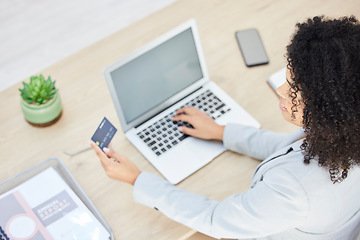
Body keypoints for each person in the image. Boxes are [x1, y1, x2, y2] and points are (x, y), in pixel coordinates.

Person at [90, 16, 360, 239]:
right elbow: (289, 147)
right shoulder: (343, 132)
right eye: (288, 81)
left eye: (294, 92)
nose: (280, 91)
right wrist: (221, 132)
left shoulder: (292, 192)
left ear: (330, 109)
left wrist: (137, 180)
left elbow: (215, 219)